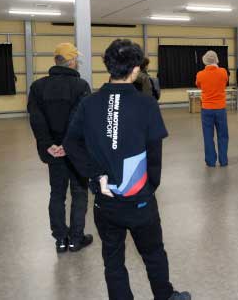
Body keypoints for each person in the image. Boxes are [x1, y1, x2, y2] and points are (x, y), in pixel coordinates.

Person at [63, 39, 190, 300]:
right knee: (153, 253)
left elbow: (71, 144)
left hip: (105, 201)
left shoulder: (89, 103)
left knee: (113, 259)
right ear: (135, 69)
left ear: (108, 66)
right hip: (140, 199)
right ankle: (165, 296)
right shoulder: (146, 104)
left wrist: (95, 176)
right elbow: (154, 154)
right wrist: (149, 187)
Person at [27, 42, 93, 253]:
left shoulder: (38, 87)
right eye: (76, 59)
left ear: (56, 61)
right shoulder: (81, 86)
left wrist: (49, 145)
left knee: (57, 194)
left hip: (53, 152)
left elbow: (36, 119)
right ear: (71, 61)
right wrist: (68, 145)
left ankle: (61, 240)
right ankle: (76, 239)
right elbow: (79, 119)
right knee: (79, 193)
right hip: (75, 151)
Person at [196, 51, 229, 167]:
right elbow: (225, 82)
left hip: (207, 108)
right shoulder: (223, 72)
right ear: (216, 59)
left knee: (208, 136)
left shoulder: (200, 74)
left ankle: (210, 161)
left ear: (204, 60)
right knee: (223, 135)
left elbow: (199, 85)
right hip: (220, 108)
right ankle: (223, 160)